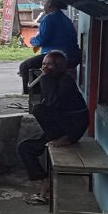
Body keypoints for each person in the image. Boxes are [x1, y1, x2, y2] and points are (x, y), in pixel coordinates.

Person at [18, 50, 89, 205]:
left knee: (39, 110)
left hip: (72, 129)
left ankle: (61, 140)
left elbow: (52, 104)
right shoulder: (52, 79)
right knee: (24, 148)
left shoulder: (65, 81)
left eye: (48, 64)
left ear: (58, 66)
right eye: (43, 63)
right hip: (58, 128)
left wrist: (45, 79)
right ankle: (42, 181)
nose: (44, 67)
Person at [19, 0, 81, 94]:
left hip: (58, 57)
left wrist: (32, 41)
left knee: (24, 66)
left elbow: (42, 39)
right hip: (74, 57)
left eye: (45, 2)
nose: (43, 4)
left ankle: (27, 94)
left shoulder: (49, 19)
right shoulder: (66, 19)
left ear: (50, 4)